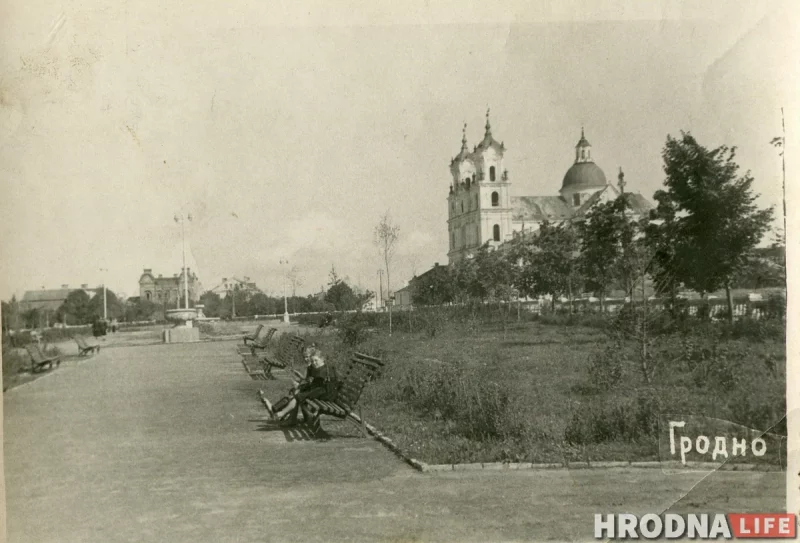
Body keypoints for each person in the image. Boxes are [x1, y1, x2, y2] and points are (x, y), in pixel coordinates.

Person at [264, 346, 339, 426]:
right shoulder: (319, 368)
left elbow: (314, 383)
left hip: (326, 394)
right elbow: (313, 382)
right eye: (313, 361)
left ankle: (282, 414)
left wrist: (302, 386)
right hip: (323, 391)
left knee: (298, 395)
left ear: (322, 359)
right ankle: (286, 415)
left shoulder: (323, 370)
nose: (314, 363)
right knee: (298, 393)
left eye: (316, 360)